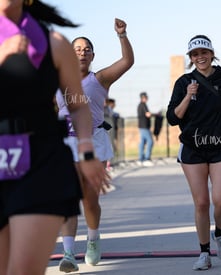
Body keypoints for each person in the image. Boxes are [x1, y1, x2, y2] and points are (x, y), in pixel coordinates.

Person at [0, 1, 108, 275]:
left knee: (23, 269)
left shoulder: (54, 44)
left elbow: (78, 105)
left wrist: (86, 150)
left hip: (40, 163)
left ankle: (75, 249)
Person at [166, 34, 221, 271]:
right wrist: (187, 95)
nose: (200, 57)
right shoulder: (184, 82)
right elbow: (173, 118)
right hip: (193, 149)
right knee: (202, 203)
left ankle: (220, 235)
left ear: (212, 53)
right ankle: (204, 252)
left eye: (204, 52)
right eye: (195, 54)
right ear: (191, 58)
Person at [55, 18, 134, 272]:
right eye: (77, 49)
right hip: (66, 143)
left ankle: (92, 239)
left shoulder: (99, 79)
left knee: (89, 199)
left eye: (86, 49)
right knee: (68, 197)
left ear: (92, 56)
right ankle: (68, 253)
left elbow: (127, 62)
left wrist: (122, 35)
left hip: (95, 142)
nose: (82, 52)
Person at [137, 91, 154, 166]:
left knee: (143, 142)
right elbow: (148, 114)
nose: (147, 98)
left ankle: (141, 159)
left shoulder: (142, 105)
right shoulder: (142, 105)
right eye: (146, 97)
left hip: (143, 127)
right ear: (143, 97)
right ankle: (147, 158)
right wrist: (155, 114)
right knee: (150, 141)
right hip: (144, 127)